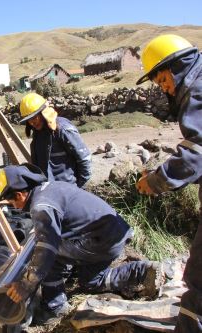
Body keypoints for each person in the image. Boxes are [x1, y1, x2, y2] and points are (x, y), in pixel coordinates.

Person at [0, 164, 162, 324]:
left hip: (101, 241)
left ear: (19, 195)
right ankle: (142, 272)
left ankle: (55, 308)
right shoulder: (51, 188)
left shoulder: (41, 206)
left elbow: (46, 250)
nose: (15, 208)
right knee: (91, 282)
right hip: (114, 234)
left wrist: (25, 285)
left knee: (48, 256)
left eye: (12, 203)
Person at [135, 34, 202, 332]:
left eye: (163, 81)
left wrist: (157, 180)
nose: (165, 89)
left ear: (175, 68)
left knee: (199, 277)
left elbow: (197, 153)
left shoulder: (196, 90)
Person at [19, 92, 91, 187]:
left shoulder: (63, 129)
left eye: (34, 117)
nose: (32, 122)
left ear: (43, 112)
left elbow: (84, 159)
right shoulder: (37, 134)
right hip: (50, 192)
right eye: (29, 119)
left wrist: (79, 187)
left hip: (69, 191)